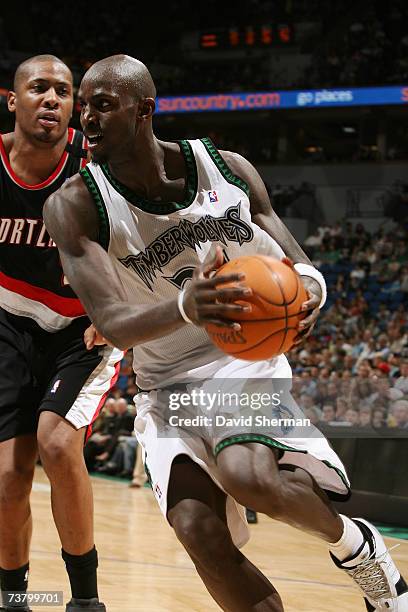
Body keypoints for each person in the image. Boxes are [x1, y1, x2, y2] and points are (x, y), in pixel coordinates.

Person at [44, 54, 408, 612]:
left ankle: (357, 548)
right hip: (165, 380)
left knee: (247, 475)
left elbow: (297, 260)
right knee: (200, 532)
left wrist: (310, 291)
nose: (86, 119)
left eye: (103, 105)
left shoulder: (226, 167)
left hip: (242, 355)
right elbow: (114, 322)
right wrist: (187, 304)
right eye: (84, 106)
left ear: (144, 111)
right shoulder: (73, 205)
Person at [0, 55, 123, 612]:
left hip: (83, 327)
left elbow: (138, 240)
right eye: (39, 88)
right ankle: (14, 600)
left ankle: (85, 602)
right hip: (9, 322)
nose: (52, 98)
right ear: (13, 100)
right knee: (7, 477)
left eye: (64, 91)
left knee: (56, 441)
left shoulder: (97, 165)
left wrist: (112, 304)